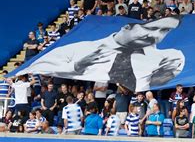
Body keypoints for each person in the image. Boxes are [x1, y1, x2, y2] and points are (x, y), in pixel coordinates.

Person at [16, 17, 185, 92]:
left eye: (165, 31)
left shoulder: (167, 57)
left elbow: (158, 83)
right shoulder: (78, 48)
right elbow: (38, 66)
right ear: (127, 27)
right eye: (152, 28)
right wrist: (77, 66)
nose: (156, 36)